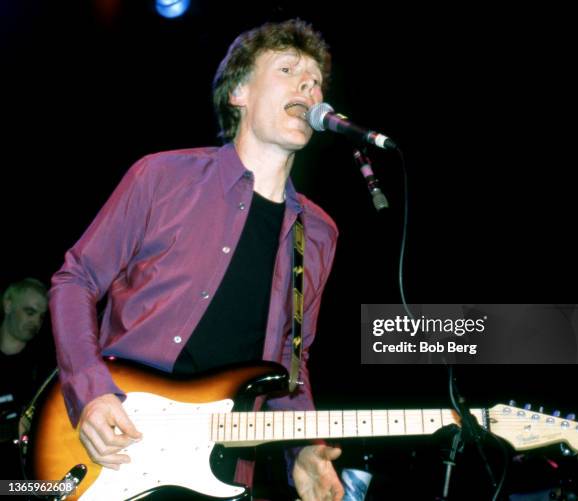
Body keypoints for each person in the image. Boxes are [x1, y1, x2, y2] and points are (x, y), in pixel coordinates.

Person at [50, 19, 344, 500]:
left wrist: (304, 449)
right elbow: (75, 278)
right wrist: (92, 391)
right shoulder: (163, 176)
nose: (308, 87)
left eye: (315, 81)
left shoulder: (318, 233)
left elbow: (292, 363)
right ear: (239, 93)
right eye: (288, 70)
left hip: (222, 471)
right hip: (119, 440)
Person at [0, 277, 49, 478]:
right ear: (8, 305)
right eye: (30, 312)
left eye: (41, 316)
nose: (36, 322)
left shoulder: (44, 365)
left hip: (21, 477)